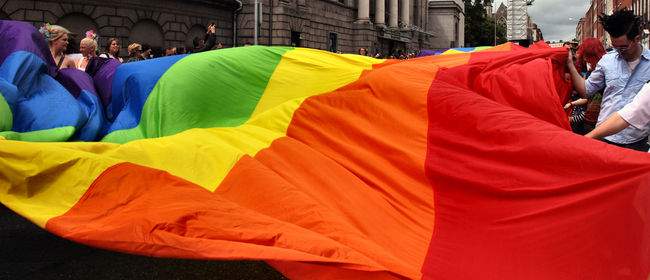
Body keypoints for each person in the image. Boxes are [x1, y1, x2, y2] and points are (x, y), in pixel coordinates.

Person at [566, 9, 650, 151]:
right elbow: (586, 91)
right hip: (603, 138)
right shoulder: (607, 61)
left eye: (623, 47)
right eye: (614, 46)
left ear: (637, 38)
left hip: (636, 142)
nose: (618, 51)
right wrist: (570, 65)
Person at [586, 82, 650, 142]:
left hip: (634, 140)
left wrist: (586, 139)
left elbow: (628, 115)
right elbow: (587, 89)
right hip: (601, 131)